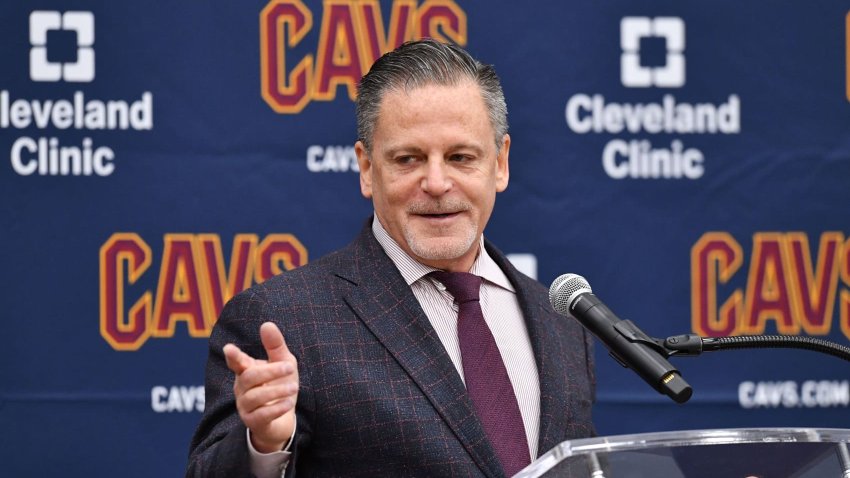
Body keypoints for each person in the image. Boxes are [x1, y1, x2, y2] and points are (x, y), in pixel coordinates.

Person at [187, 38, 595, 478]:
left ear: (500, 163)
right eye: (408, 159)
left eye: (460, 157)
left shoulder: (564, 325)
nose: (437, 183)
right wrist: (265, 445)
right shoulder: (286, 319)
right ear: (366, 168)